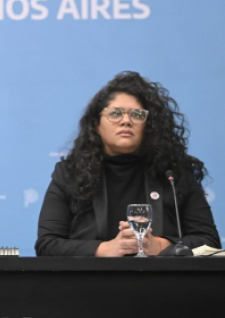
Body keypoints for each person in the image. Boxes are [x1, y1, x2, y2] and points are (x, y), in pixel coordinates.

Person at [36, 71, 219, 256]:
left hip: (163, 283)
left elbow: (209, 241)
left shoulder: (173, 173)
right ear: (96, 125)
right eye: (115, 113)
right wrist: (106, 249)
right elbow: (47, 245)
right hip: (92, 283)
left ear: (148, 125)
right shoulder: (70, 174)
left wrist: (161, 246)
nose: (126, 121)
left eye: (137, 114)